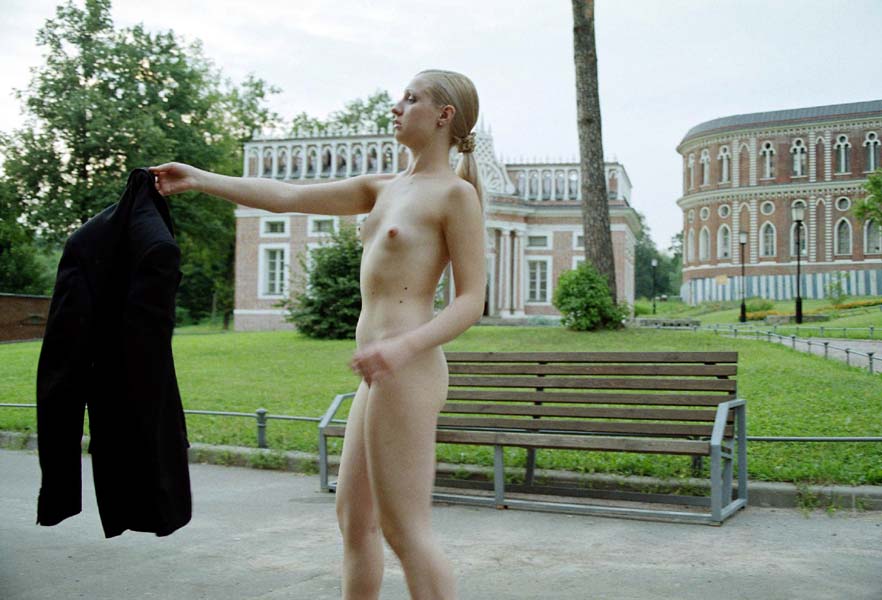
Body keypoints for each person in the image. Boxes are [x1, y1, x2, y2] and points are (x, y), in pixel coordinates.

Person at [149, 68, 485, 600]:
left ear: (444, 116)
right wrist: (199, 179)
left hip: (409, 369)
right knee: (354, 520)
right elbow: (286, 195)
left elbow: (470, 300)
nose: (396, 106)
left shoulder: (456, 195)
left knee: (405, 530)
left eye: (411, 98)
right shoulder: (381, 188)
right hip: (378, 373)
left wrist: (405, 345)